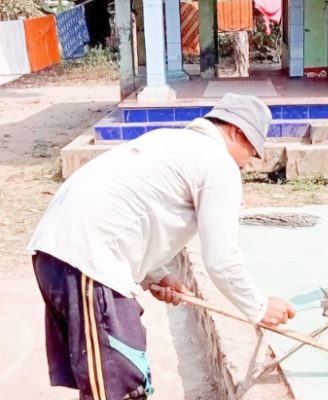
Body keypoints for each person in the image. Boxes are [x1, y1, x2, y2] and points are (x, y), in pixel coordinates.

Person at [27, 93, 296, 400]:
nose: (247, 162)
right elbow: (222, 259)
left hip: (63, 255)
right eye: (251, 150)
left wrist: (157, 275)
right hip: (87, 262)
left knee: (118, 380)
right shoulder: (218, 162)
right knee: (119, 389)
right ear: (236, 131)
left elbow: (133, 211)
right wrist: (259, 307)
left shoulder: (170, 142)